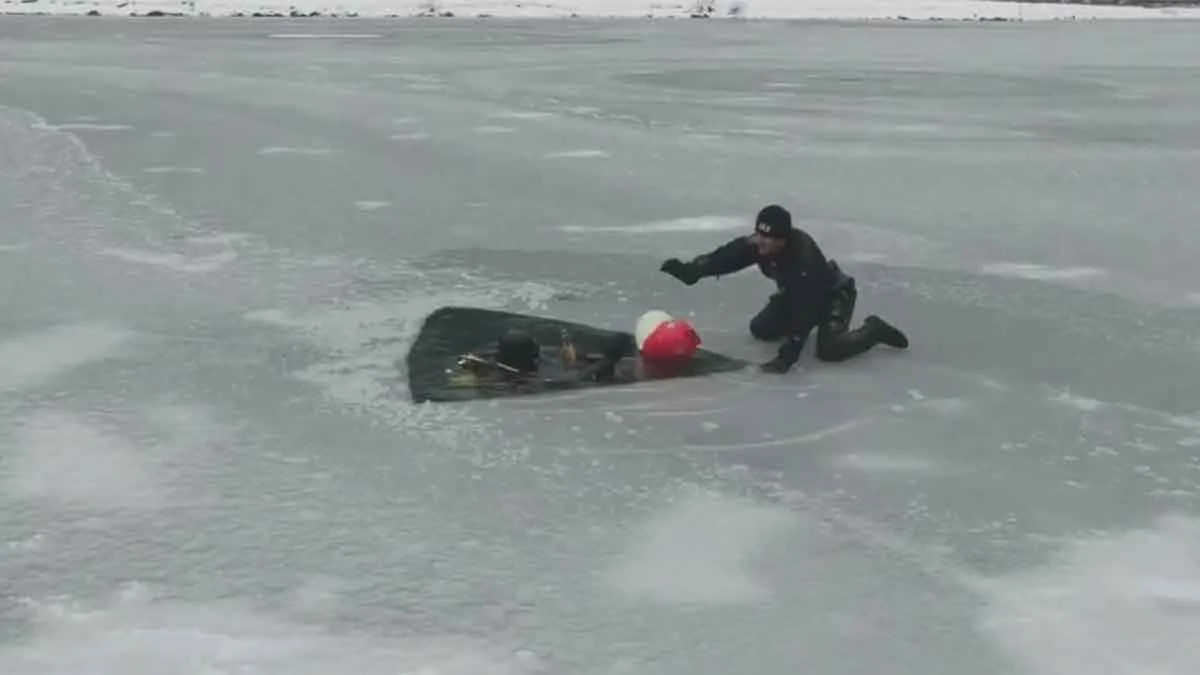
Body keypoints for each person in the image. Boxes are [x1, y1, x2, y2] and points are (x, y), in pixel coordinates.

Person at [659, 204, 908, 374]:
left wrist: (789, 353)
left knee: (830, 350)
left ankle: (873, 329)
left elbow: (806, 306)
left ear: (784, 240)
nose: (760, 241)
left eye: (768, 237)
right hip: (794, 293)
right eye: (758, 233)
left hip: (832, 295)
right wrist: (693, 271)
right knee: (761, 329)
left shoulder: (804, 260)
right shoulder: (760, 244)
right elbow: (727, 257)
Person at [449, 327, 639, 393]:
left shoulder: (493, 365)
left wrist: (575, 358)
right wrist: (610, 360)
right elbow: (575, 380)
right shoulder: (522, 380)